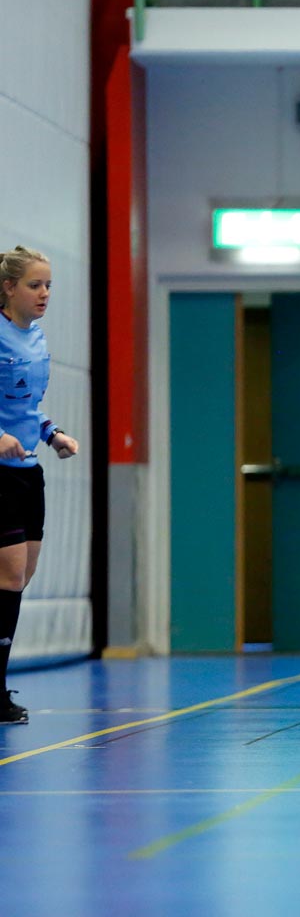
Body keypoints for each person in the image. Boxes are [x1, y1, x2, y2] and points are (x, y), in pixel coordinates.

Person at [0, 246, 80, 725]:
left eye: (48, 285)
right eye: (35, 285)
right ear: (9, 288)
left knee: (20, 579)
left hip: (29, 472)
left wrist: (53, 435)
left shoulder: (38, 340)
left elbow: (28, 408)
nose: (45, 293)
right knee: (8, 576)